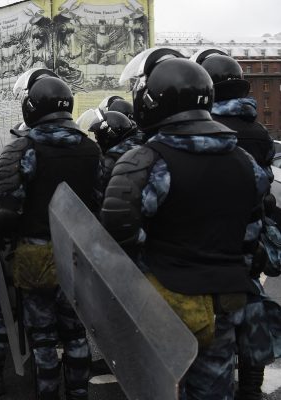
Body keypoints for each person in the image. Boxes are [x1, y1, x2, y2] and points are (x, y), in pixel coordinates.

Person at [101, 48, 268, 399]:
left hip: (165, 305)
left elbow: (118, 236)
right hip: (226, 303)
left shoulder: (146, 160)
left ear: (154, 101)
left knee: (159, 389)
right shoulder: (246, 162)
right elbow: (251, 237)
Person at [0, 72, 98, 399]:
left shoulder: (25, 148)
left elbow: (9, 211)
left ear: (31, 107)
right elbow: (99, 204)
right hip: (79, 254)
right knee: (75, 334)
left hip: (36, 255)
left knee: (43, 338)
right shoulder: (91, 149)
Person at [194, 49, 277, 400]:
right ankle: (251, 388)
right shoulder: (259, 132)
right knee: (251, 308)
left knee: (219, 322)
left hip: (214, 242)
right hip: (253, 238)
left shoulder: (205, 130)